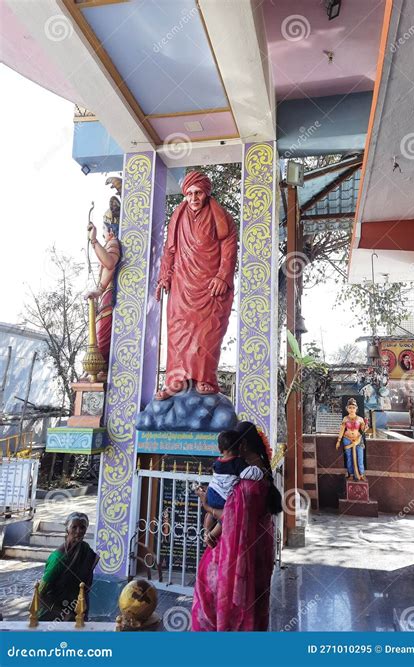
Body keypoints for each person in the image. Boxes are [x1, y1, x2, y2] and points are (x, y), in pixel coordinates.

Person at [192, 422, 282, 632]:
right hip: (257, 545)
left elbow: (231, 516)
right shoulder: (258, 470)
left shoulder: (247, 479)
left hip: (237, 548)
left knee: (221, 601)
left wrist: (207, 508)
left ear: (241, 446)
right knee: (255, 602)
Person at [155, 171, 237, 399]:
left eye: (198, 193)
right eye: (189, 193)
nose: (193, 198)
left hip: (210, 285)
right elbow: (169, 250)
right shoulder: (178, 215)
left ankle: (205, 378)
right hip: (182, 284)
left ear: (206, 193)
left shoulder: (221, 216)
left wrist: (222, 277)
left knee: (207, 331)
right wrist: (164, 276)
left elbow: (229, 246)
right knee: (178, 331)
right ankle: (175, 380)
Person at [85, 193, 121, 378]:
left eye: (105, 228)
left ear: (111, 230)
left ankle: (102, 370)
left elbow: (109, 262)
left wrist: (94, 240)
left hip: (108, 299)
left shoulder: (113, 242)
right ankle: (99, 371)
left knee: (102, 340)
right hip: (104, 299)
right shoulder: (110, 243)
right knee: (98, 338)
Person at [38, 512, 99, 622]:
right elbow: (41, 592)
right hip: (56, 612)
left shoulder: (85, 549)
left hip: (79, 607)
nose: (78, 531)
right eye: (74, 527)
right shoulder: (58, 558)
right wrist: (62, 613)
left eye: (82, 527)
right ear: (67, 529)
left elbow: (86, 581)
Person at [202, 430, 248, 537]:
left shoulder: (218, 462)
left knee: (210, 513)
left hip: (211, 494)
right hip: (222, 498)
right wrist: (259, 472)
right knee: (226, 517)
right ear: (240, 447)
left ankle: (206, 532)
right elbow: (249, 474)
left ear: (220, 449)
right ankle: (212, 535)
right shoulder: (238, 463)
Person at [336, 398, 368, 481]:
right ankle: (351, 473)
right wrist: (338, 441)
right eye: (350, 407)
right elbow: (342, 430)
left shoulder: (360, 419)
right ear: (347, 408)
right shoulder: (345, 419)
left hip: (358, 439)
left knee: (360, 457)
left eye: (353, 408)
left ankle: (361, 474)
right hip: (347, 439)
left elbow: (363, 430)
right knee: (349, 457)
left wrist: (365, 426)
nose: (351, 409)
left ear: (356, 408)